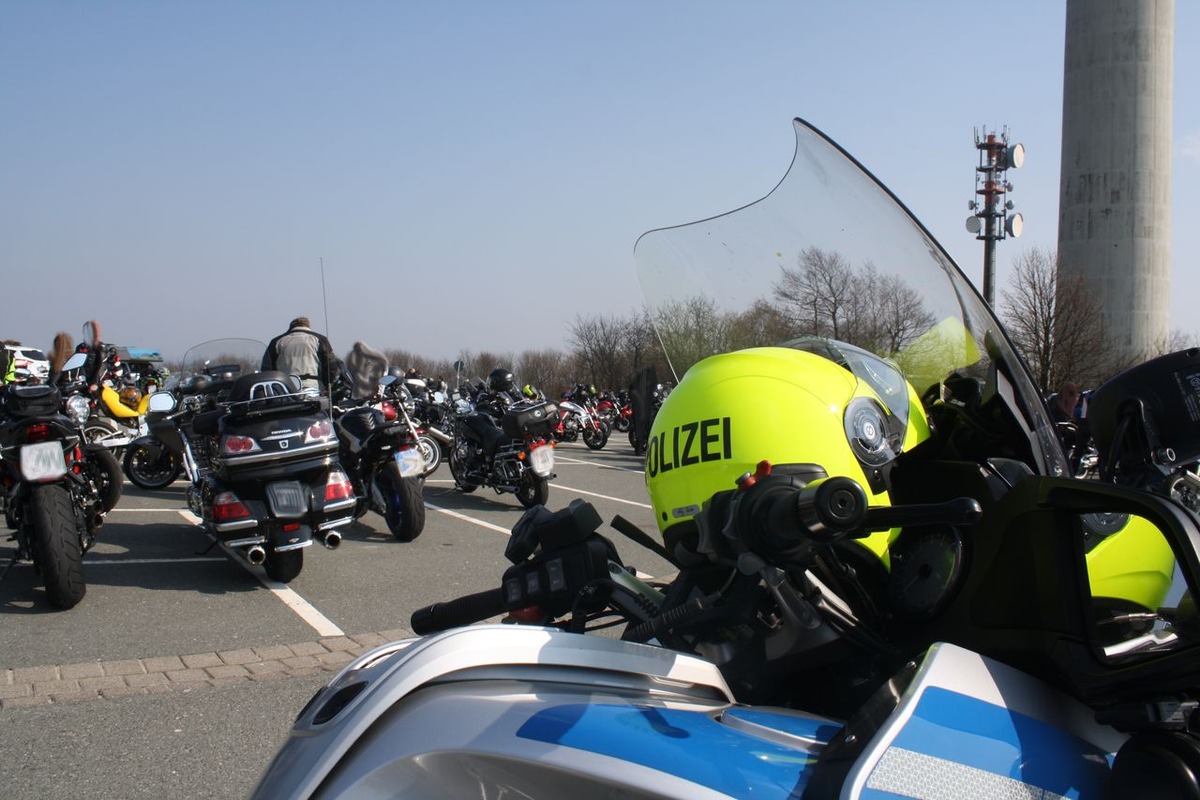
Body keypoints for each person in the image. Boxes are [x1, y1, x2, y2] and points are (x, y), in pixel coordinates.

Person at [262, 316, 339, 391]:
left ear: (291, 327)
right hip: (312, 388)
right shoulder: (320, 339)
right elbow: (331, 367)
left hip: (285, 389)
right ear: (308, 326)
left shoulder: (276, 341)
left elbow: (266, 370)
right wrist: (326, 385)